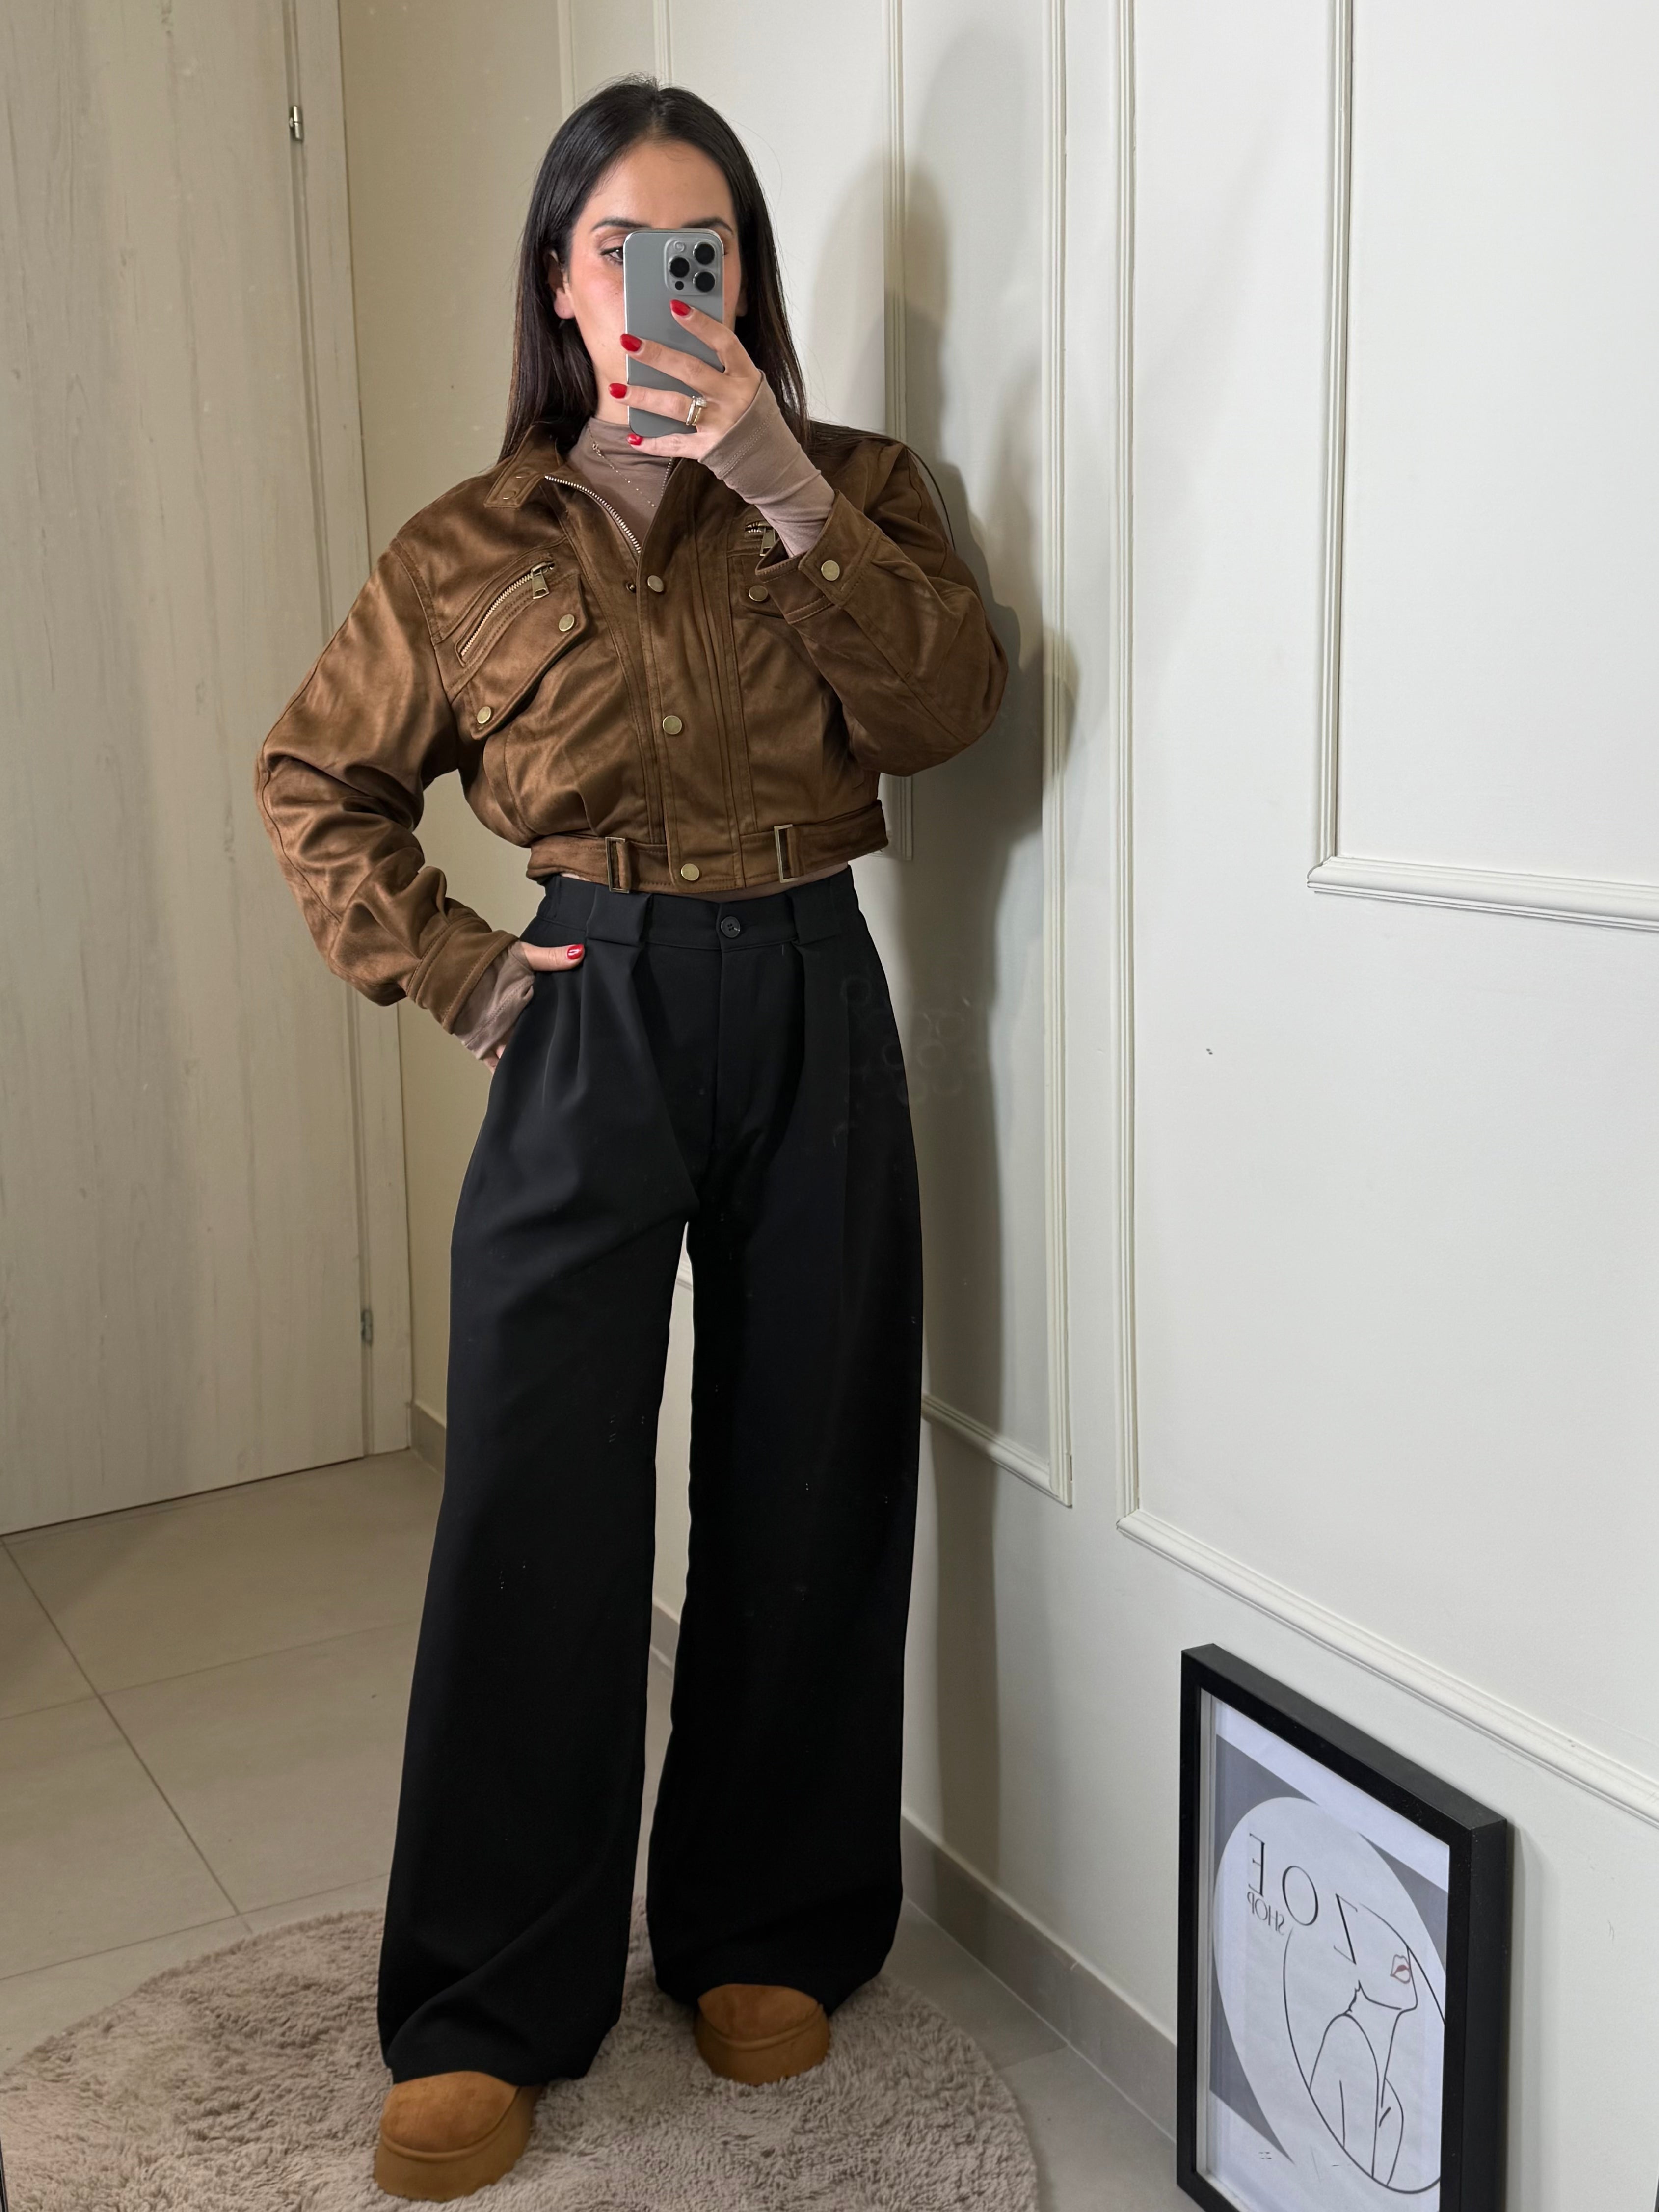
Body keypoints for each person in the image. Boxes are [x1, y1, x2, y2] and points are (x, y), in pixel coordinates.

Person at [256, 76, 1006, 2201]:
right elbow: (316, 780)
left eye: (705, 248)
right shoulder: (466, 544)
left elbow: (948, 709)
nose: (666, 283)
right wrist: (459, 968)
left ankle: (767, 1922)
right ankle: (489, 1998)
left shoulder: (853, 486)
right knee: (536, 1488)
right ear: (565, 284)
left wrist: (782, 487)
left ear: (739, 279)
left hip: (812, 981)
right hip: (585, 994)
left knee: (806, 1461)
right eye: (623, 249)